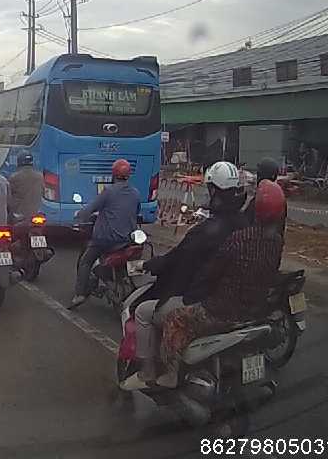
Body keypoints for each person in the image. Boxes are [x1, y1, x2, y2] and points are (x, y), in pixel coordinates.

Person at [123, 161, 248, 389]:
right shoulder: (244, 224)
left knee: (142, 312)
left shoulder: (207, 231)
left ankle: (149, 372)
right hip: (236, 299)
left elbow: (176, 260)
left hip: (205, 300)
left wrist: (149, 265)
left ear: (214, 191)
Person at [154, 177, 284, 389]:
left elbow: (212, 273)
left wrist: (191, 297)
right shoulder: (277, 242)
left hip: (222, 311)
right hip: (255, 310)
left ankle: (170, 374)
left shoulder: (239, 239)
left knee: (173, 319)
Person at [69, 158, 140, 309]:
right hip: (127, 240)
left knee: (85, 261)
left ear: (113, 174)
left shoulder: (108, 191)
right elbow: (136, 212)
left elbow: (90, 208)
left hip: (106, 240)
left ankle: (80, 294)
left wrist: (79, 215)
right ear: (128, 175)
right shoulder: (135, 193)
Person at [8, 153, 43, 224]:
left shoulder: (14, 177)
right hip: (36, 215)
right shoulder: (40, 176)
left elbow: (8, 197)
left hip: (19, 216)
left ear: (19, 163)